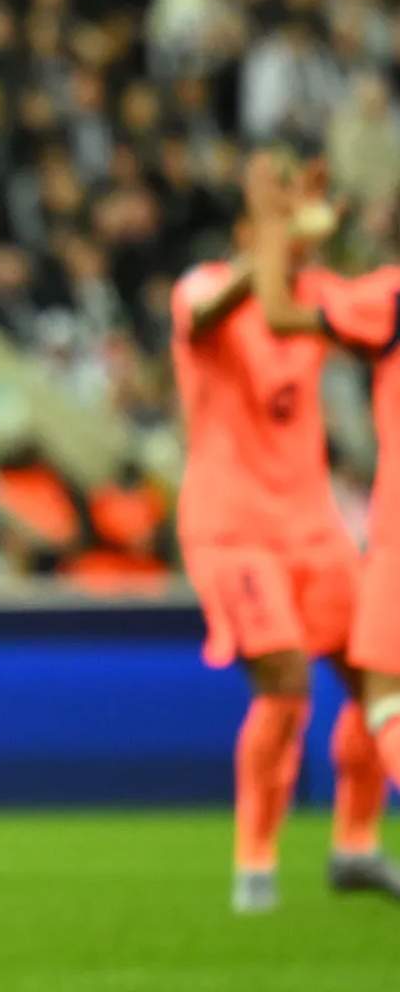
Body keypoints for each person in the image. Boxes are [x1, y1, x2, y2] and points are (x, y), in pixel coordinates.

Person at [169, 151, 400, 914]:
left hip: (314, 523)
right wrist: (272, 233)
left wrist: (311, 234)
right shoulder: (202, 285)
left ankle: (356, 845)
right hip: (233, 527)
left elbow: (361, 310)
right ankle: (255, 863)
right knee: (286, 686)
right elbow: (208, 315)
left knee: (378, 677)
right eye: (271, 224)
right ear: (244, 231)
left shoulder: (314, 293)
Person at [248, 157, 400, 891]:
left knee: (385, 696)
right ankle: (355, 844)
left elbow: (279, 312)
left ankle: (349, 843)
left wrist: (276, 226)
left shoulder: (391, 294)